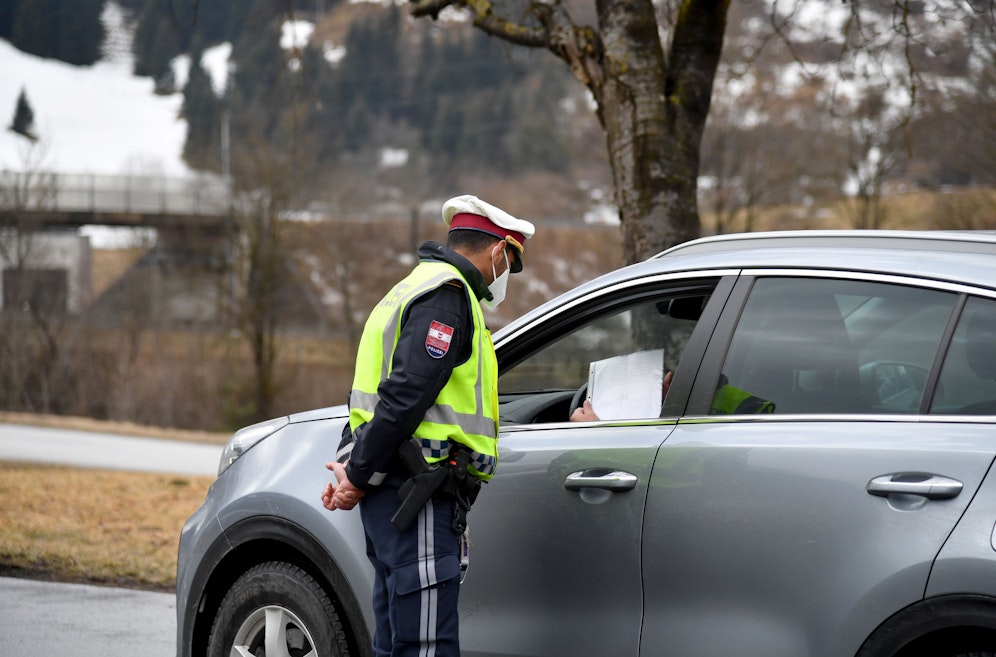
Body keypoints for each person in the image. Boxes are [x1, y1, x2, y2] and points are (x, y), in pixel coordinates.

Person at [321, 194, 535, 657]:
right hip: (416, 492)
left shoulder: (409, 288)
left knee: (395, 643)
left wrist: (353, 468)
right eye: (511, 264)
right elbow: (404, 395)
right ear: (499, 250)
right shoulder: (448, 296)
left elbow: (369, 395)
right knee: (425, 647)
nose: (507, 278)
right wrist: (356, 477)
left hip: (392, 493)